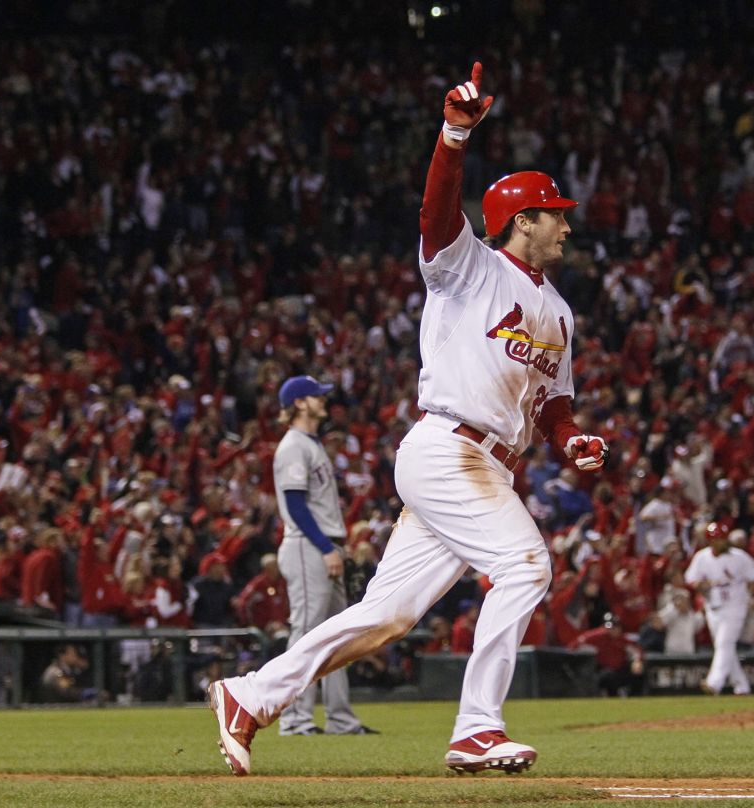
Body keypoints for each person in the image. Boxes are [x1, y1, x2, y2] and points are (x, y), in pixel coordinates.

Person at [207, 61, 608, 776]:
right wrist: (454, 135)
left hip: (486, 464)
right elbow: (435, 211)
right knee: (525, 565)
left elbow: (552, 402)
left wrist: (570, 438)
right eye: (557, 213)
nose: (567, 226)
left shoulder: (561, 311)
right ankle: (477, 728)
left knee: (387, 617)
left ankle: (249, 694)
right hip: (450, 448)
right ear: (525, 221)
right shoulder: (470, 268)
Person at [268, 375, 374, 737]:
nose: (323, 401)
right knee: (306, 632)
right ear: (299, 403)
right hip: (308, 544)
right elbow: (295, 506)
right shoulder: (293, 445)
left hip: (326, 545)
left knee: (337, 636)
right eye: (317, 396)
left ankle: (340, 720)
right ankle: (294, 719)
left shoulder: (311, 444)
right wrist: (326, 547)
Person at [684, 521, 754, 695]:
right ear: (710, 540)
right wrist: (700, 584)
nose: (722, 542)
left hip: (735, 606)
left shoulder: (739, 556)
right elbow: (691, 579)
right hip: (713, 607)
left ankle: (714, 683)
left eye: (723, 538)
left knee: (724, 643)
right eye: (718, 539)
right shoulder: (702, 557)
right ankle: (741, 685)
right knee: (725, 648)